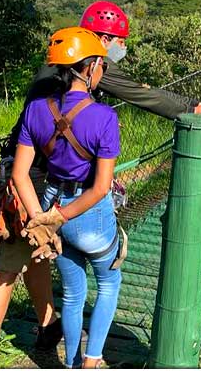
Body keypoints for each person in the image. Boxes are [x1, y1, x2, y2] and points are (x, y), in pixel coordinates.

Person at [0, 0, 201, 368]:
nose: (119, 52)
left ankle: (46, 325)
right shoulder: (87, 65)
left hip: (28, 174)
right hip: (44, 184)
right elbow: (144, 95)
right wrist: (196, 107)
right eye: (118, 42)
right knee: (13, 260)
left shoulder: (58, 64)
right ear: (101, 41)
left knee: (36, 249)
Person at [14, 27, 121, 368]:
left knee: (72, 294)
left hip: (49, 203)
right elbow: (101, 187)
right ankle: (92, 359)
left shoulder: (35, 109)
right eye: (101, 64)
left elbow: (19, 174)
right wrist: (61, 217)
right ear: (89, 68)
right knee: (109, 281)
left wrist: (42, 220)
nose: (102, 70)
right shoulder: (105, 117)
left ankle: (73, 363)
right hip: (86, 211)